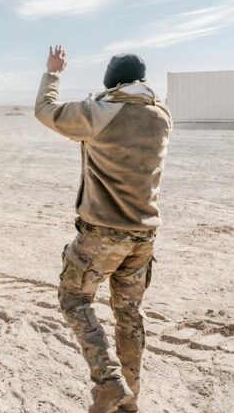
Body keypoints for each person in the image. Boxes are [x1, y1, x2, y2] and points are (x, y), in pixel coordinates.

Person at [34, 45, 172, 413]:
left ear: (112, 80)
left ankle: (109, 381)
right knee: (129, 315)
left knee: (74, 299)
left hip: (103, 235)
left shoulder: (100, 112)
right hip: (143, 237)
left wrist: (53, 72)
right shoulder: (161, 114)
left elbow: (45, 111)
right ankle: (130, 399)